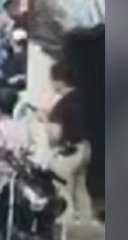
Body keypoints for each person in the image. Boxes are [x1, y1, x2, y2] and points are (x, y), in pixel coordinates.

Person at [44, 62, 93, 226]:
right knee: (81, 187)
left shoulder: (61, 105)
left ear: (59, 81)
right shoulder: (83, 98)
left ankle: (68, 224)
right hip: (85, 147)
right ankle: (86, 223)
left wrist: (45, 121)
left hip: (69, 151)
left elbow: (56, 136)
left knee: (64, 188)